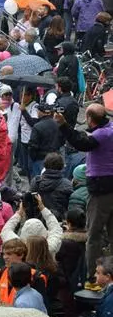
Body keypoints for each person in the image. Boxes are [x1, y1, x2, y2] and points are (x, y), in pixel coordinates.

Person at [56, 103, 113, 278]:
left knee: (93, 233)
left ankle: (93, 276)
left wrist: (64, 125)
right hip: (108, 185)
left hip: (101, 188)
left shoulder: (101, 135)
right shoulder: (109, 128)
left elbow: (82, 143)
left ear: (89, 119)